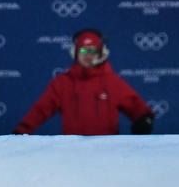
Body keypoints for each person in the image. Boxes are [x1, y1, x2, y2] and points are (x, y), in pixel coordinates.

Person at [14, 28, 154, 136]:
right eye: (83, 50)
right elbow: (40, 110)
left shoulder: (112, 82)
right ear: (75, 53)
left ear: (101, 53)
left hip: (108, 151)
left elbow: (137, 107)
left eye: (92, 51)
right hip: (73, 152)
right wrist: (22, 131)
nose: (88, 55)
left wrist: (144, 120)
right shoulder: (62, 83)